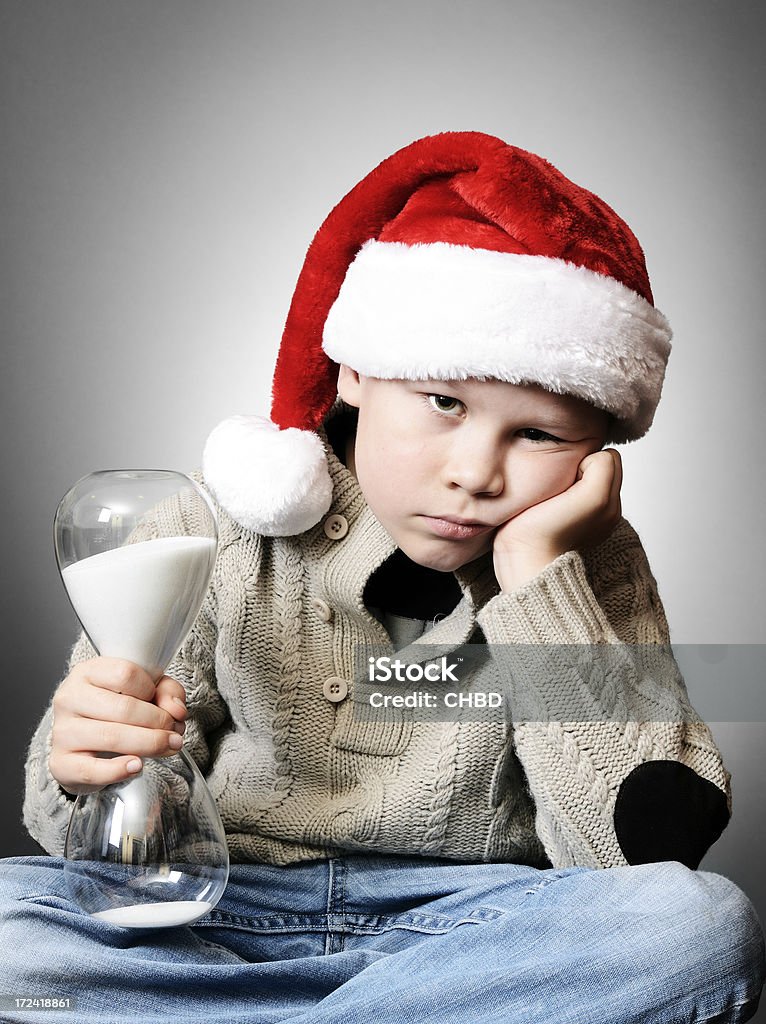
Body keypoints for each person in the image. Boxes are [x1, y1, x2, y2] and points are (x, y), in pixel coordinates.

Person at [2, 131, 763, 1023]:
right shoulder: (215, 532)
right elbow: (80, 844)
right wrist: (86, 760)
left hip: (478, 938)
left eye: (539, 435)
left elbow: (636, 855)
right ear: (355, 370)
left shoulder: (586, 566)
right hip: (228, 919)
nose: (477, 474)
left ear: (595, 448)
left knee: (700, 927)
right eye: (444, 403)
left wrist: (533, 576)